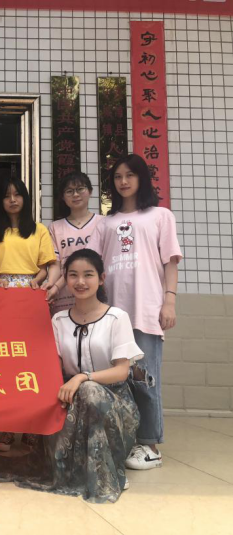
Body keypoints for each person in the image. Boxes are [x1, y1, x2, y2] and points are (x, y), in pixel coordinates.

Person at [0, 248, 142, 503]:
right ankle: (65, 464)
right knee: (56, 393)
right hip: (70, 396)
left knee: (89, 391)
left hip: (114, 402)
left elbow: (122, 371)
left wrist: (82, 377)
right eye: (73, 275)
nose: (80, 281)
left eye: (88, 275)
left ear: (101, 279)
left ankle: (105, 468)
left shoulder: (117, 317)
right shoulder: (59, 320)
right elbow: (52, 367)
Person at [89, 154, 182, 471]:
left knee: (145, 379)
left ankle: (150, 445)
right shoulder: (106, 223)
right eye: (117, 176)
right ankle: (124, 441)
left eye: (130, 175)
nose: (123, 181)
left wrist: (169, 301)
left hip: (146, 309)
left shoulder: (160, 216)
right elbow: (96, 267)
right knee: (116, 379)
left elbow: (170, 262)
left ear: (142, 178)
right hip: (112, 313)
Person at [0, 178, 56, 452]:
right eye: (7, 196)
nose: (13, 200)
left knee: (32, 363)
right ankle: (7, 429)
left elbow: (45, 265)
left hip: (31, 298)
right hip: (3, 298)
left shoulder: (39, 230)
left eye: (17, 195)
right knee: (7, 363)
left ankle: (31, 429)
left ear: (25, 199)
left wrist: (34, 283)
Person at [44, 172, 104, 315]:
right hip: (64, 297)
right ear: (63, 197)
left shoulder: (103, 223)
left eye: (80, 189)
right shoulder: (55, 227)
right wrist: (52, 286)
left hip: (96, 295)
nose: (75, 195)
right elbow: (55, 264)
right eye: (69, 191)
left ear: (90, 191)